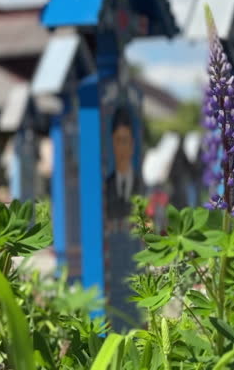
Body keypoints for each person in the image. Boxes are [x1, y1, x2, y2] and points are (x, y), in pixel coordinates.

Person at [102, 105, 142, 331]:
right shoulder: (106, 184)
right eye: (117, 141)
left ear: (133, 144)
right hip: (113, 262)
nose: (121, 147)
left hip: (134, 258)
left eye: (125, 140)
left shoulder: (139, 183)